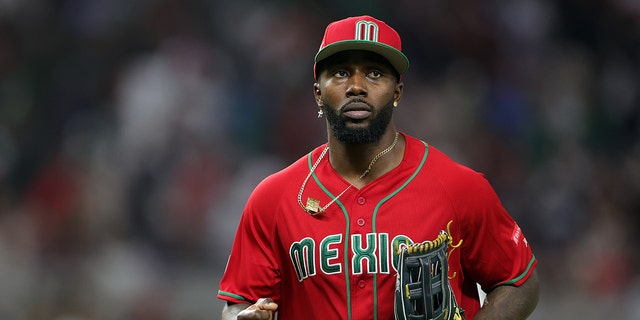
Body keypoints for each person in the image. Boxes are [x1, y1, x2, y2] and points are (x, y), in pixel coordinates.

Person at [218, 15, 539, 320]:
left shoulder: (457, 187)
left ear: (397, 92)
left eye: (374, 73)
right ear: (318, 93)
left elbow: (520, 281)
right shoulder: (274, 198)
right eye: (341, 72)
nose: (356, 86)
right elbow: (239, 302)